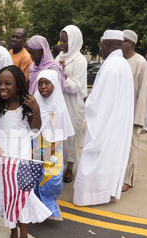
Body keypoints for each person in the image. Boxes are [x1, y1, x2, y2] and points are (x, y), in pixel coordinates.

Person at [0, 65, 50, 238]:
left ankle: (24, 235)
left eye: (7, 83)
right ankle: (12, 229)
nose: (2, 87)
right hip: (1, 156)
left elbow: (35, 129)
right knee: (6, 193)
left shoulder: (26, 105)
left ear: (18, 86)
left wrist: (36, 109)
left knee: (21, 195)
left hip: (21, 156)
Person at [73, 30, 134, 206]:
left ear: (106, 45)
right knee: (110, 159)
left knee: (95, 160)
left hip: (106, 125)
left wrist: (88, 101)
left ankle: (89, 197)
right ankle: (105, 194)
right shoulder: (122, 64)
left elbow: (100, 103)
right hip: (116, 124)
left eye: (101, 45)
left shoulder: (110, 66)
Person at [33, 69, 74, 220]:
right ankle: (37, 208)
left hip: (53, 149)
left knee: (53, 179)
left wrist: (50, 151)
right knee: (36, 177)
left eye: (47, 83)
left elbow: (61, 134)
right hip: (36, 146)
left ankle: (49, 206)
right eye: (40, 83)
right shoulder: (35, 103)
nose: (43, 87)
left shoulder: (60, 108)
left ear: (54, 85)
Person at [55, 25, 88, 183]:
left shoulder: (80, 60)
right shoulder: (60, 56)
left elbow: (75, 87)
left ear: (73, 41)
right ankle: (59, 165)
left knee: (72, 137)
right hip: (60, 104)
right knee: (59, 136)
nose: (62, 44)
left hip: (73, 105)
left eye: (65, 41)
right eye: (61, 40)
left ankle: (69, 168)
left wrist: (63, 73)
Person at [121, 30, 147, 192]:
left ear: (130, 43)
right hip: (119, 115)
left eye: (122, 41)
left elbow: (144, 93)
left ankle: (128, 180)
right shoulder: (119, 61)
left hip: (133, 115)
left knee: (131, 147)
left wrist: (138, 120)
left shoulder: (141, 63)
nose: (119, 44)